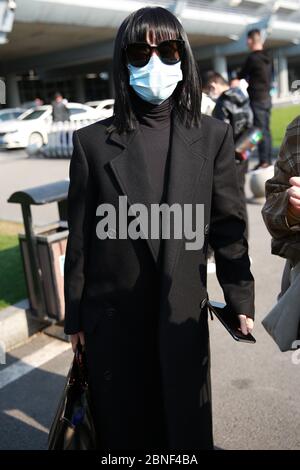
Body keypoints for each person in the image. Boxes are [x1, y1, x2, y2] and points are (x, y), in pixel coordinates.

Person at [63, 6, 255, 451]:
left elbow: (228, 227)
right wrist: (75, 315)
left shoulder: (213, 136)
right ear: (122, 61)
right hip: (113, 322)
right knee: (127, 434)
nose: (156, 65)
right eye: (140, 52)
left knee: (184, 432)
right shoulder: (91, 143)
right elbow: (80, 239)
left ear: (183, 58)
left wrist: (240, 296)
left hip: (181, 316)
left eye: (168, 50)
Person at [205, 71, 253, 238]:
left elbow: (220, 134)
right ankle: (245, 238)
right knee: (241, 197)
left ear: (213, 85)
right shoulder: (243, 96)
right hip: (245, 151)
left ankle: (238, 240)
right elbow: (251, 124)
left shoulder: (222, 102)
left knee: (229, 201)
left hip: (229, 156)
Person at [238, 29, 273, 169]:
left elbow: (241, 75)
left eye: (248, 40)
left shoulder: (252, 58)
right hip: (267, 97)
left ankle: (264, 161)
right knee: (266, 130)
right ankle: (267, 159)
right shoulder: (268, 57)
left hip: (257, 98)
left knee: (258, 131)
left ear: (252, 40)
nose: (247, 43)